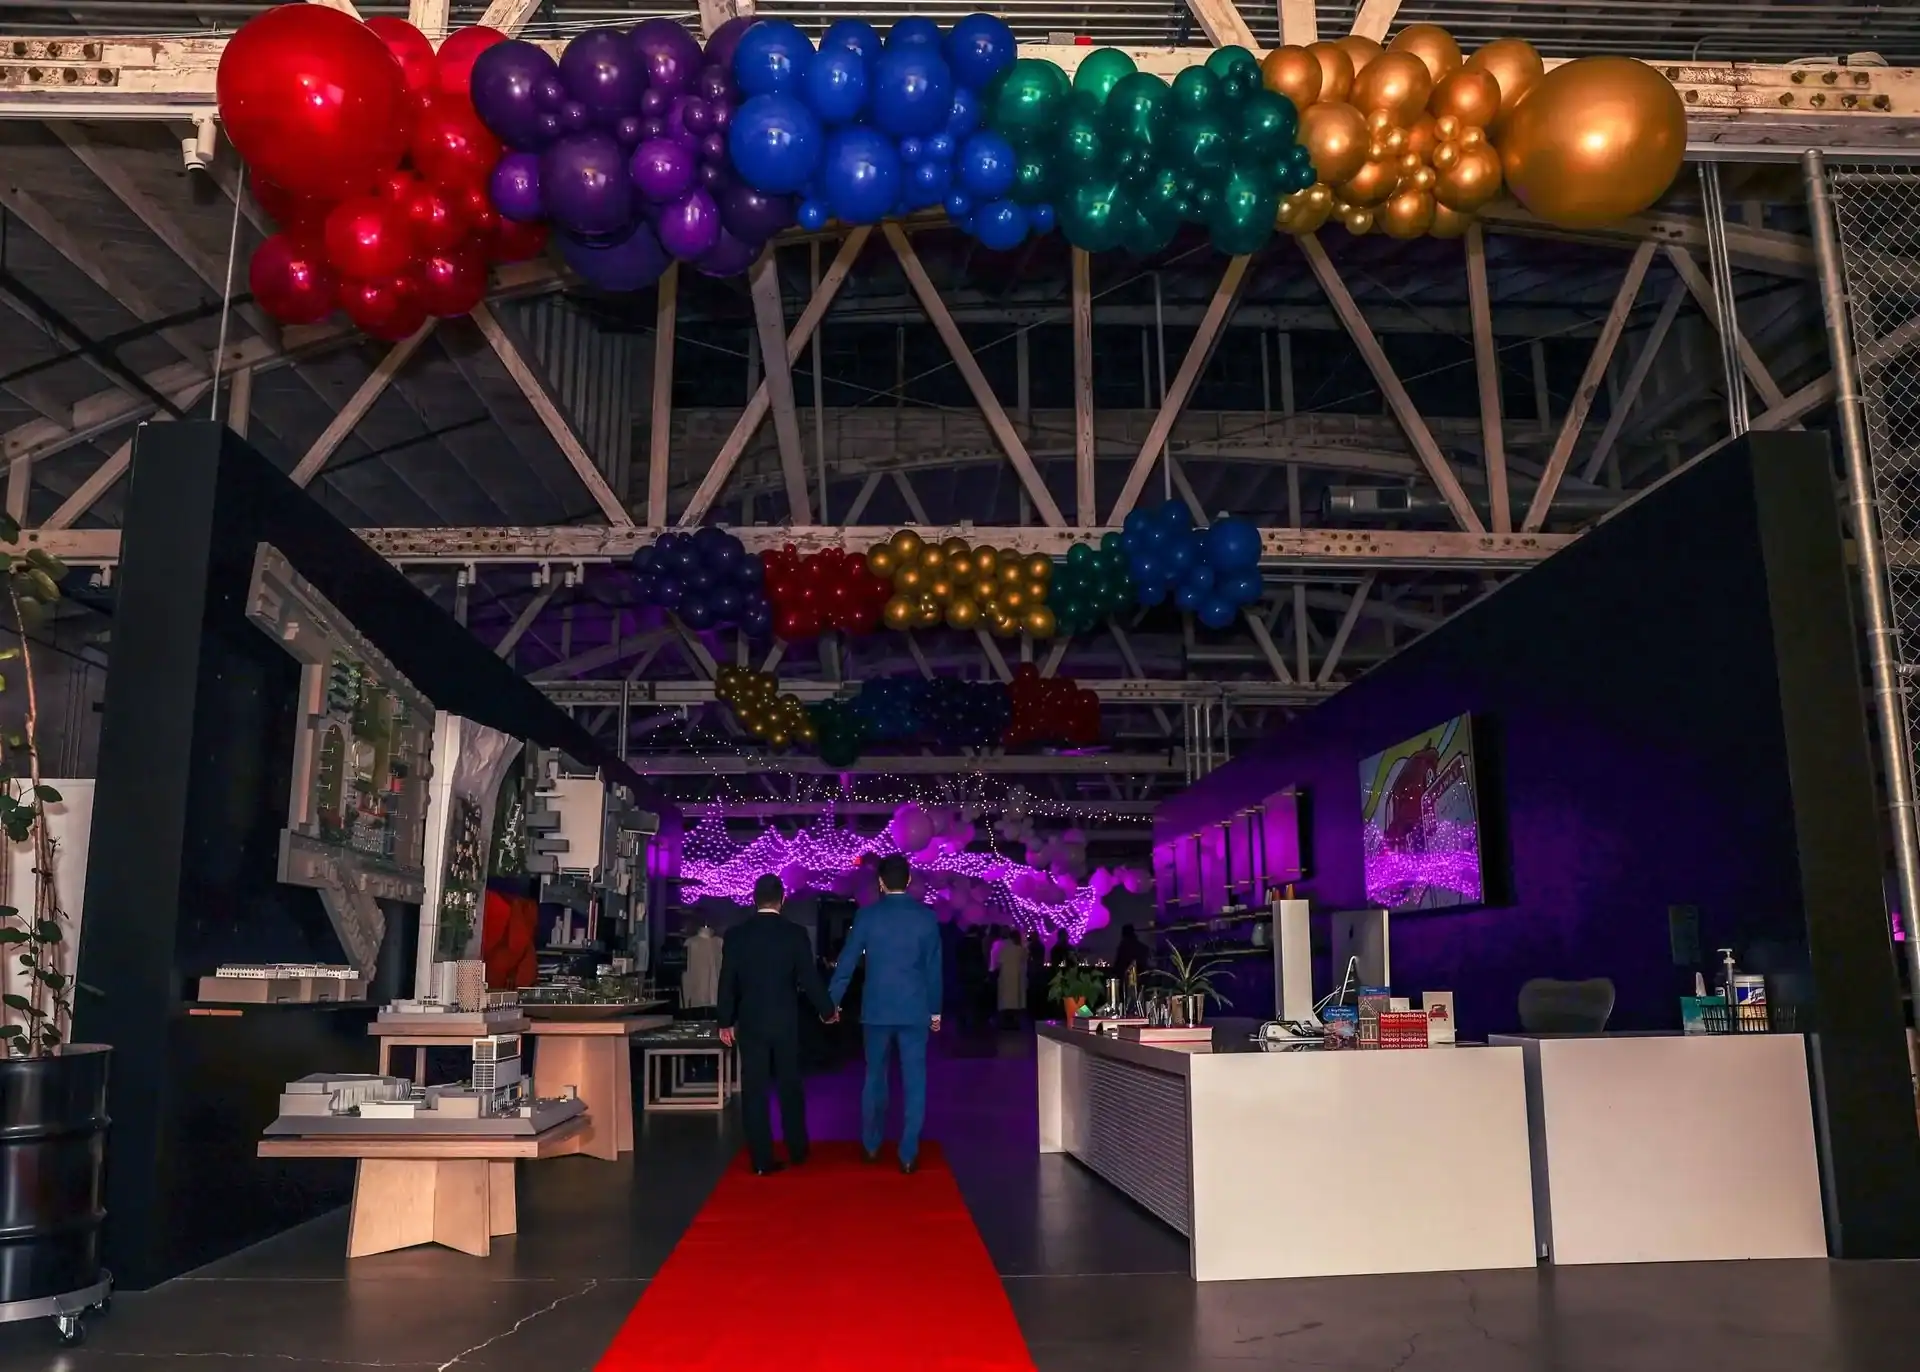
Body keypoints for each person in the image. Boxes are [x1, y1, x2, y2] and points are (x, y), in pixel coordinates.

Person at [828, 855, 941, 1174]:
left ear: (880, 882)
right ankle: (907, 1154)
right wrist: (935, 1010)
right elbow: (934, 970)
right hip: (915, 1009)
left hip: (876, 1010)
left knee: (874, 1079)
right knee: (915, 1081)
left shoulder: (867, 917)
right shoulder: (926, 918)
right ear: (908, 881)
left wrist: (832, 1001)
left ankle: (871, 1145)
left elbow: (847, 962)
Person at [718, 875, 836, 1176]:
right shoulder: (795, 934)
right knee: (790, 1085)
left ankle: (760, 1159)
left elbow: (727, 982)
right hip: (785, 1019)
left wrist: (725, 1021)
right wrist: (826, 1010)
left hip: (752, 1019)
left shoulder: (736, 935)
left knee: (754, 1089)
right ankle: (797, 1150)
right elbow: (809, 978)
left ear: (754, 899)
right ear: (782, 900)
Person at [989, 926, 1026, 1029]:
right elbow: (1024, 962)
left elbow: (997, 963)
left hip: (1004, 978)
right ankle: (1014, 1021)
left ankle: (1005, 1022)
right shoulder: (1019, 950)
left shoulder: (1001, 948)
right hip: (1017, 979)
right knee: (1015, 1002)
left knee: (1005, 1001)